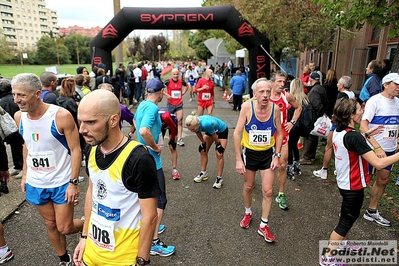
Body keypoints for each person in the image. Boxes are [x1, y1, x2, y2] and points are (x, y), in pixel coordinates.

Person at [73, 89, 159, 266]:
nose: (82, 130)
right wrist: (84, 236)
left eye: (90, 122)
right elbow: (92, 192)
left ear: (113, 120)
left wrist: (141, 261)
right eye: (80, 121)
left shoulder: (139, 159)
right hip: (91, 253)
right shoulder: (91, 148)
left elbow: (150, 216)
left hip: (123, 259)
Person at [12, 73, 83, 266]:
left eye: (21, 95)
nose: (17, 100)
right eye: (14, 95)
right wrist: (25, 174)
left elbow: (76, 150)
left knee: (65, 227)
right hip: (36, 182)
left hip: (61, 183)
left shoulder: (60, 116)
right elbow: (27, 146)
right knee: (51, 224)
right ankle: (64, 259)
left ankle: (88, 224)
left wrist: (73, 182)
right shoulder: (19, 117)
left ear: (37, 94)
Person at [319, 97, 399, 265]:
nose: (362, 111)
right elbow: (379, 163)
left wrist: (367, 134)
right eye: (359, 109)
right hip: (353, 186)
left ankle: (343, 244)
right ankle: (327, 258)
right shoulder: (354, 137)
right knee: (345, 222)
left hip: (344, 183)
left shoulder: (339, 132)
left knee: (349, 216)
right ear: (351, 115)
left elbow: (350, 141)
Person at [233, 78, 283, 243]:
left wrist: (277, 155)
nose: (266, 95)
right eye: (261, 91)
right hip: (250, 154)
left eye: (268, 91)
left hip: (268, 154)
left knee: (268, 191)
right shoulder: (247, 107)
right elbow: (236, 133)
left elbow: (280, 133)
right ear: (255, 93)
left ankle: (263, 225)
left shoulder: (275, 109)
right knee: (249, 186)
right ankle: (248, 212)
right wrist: (238, 159)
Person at [134, 78, 176, 257]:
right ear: (160, 92)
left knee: (146, 198)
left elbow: (135, 123)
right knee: (160, 200)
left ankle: (151, 226)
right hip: (151, 160)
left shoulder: (143, 104)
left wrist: (144, 143)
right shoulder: (152, 107)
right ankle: (154, 242)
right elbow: (143, 130)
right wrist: (155, 146)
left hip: (141, 156)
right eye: (163, 92)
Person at [360, 73, 399, 227]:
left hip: (389, 150)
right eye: (395, 84)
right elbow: (363, 126)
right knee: (363, 180)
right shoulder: (374, 101)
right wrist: (376, 146)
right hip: (371, 149)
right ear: (385, 85)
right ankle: (349, 208)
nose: (398, 87)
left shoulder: (398, 102)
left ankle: (372, 210)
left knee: (383, 180)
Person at [269, 71, 302, 210]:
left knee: (282, 165)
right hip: (266, 135)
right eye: (279, 81)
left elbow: (299, 107)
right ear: (272, 82)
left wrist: (292, 122)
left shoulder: (286, 96)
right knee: (265, 166)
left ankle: (280, 194)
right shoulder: (264, 95)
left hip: (282, 135)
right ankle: (265, 189)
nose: (282, 84)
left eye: (284, 82)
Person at [313, 76, 355, 180]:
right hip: (348, 122)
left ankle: (324, 170)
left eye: (338, 83)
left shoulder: (341, 95)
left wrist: (333, 118)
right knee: (343, 147)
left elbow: (338, 108)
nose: (337, 85)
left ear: (342, 85)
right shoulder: (352, 94)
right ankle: (339, 169)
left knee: (329, 146)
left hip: (338, 122)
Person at [185, 112, 228, 189]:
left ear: (197, 124)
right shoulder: (195, 125)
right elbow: (198, 132)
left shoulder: (205, 124)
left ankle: (219, 178)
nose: (192, 131)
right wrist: (203, 143)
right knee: (203, 151)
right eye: (190, 130)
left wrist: (218, 144)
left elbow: (214, 135)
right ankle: (203, 173)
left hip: (222, 130)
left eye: (193, 129)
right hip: (211, 131)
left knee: (219, 153)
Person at [300, 72, 327, 165]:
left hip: (313, 117)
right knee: (314, 137)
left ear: (311, 79)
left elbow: (317, 105)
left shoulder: (315, 90)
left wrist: (315, 116)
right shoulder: (321, 88)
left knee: (309, 136)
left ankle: (306, 157)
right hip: (317, 116)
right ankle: (311, 156)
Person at [286, 78, 310, 179]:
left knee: (289, 147)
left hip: (292, 126)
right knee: (294, 145)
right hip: (301, 127)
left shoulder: (292, 100)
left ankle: (290, 168)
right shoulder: (306, 99)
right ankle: (297, 166)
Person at [0, 79, 24, 179]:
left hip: (13, 128)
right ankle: (18, 166)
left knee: (18, 147)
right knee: (16, 147)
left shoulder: (5, 100)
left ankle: (22, 167)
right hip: (15, 127)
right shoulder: (11, 98)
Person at [164, 68, 188, 147]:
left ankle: (180, 138)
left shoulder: (181, 81)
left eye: (177, 74)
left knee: (179, 121)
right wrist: (167, 95)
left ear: (179, 74)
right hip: (170, 104)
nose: (175, 76)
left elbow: (187, 86)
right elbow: (160, 88)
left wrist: (183, 92)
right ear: (171, 74)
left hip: (179, 104)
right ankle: (171, 137)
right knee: (169, 122)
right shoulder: (168, 81)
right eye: (174, 74)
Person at [159, 107, 180, 180]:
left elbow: (174, 131)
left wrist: (172, 139)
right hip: (159, 125)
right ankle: (156, 167)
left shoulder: (174, 119)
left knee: (172, 146)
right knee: (157, 146)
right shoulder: (156, 117)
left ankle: (174, 169)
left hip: (172, 125)